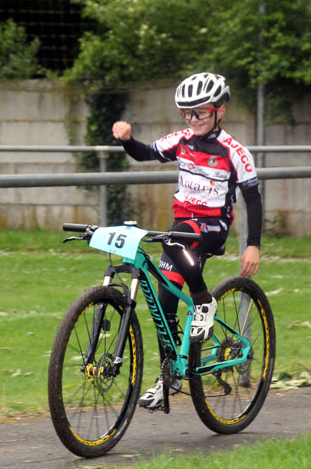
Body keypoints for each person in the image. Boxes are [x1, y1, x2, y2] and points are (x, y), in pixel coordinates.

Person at [112, 72, 262, 410]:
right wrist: (126, 139)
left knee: (173, 243)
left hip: (213, 225)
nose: (193, 120)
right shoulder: (181, 139)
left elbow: (253, 198)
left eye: (201, 112)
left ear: (219, 110)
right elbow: (145, 153)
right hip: (182, 226)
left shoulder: (234, 150)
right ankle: (169, 378)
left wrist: (253, 244)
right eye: (187, 113)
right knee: (164, 307)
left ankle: (203, 301)